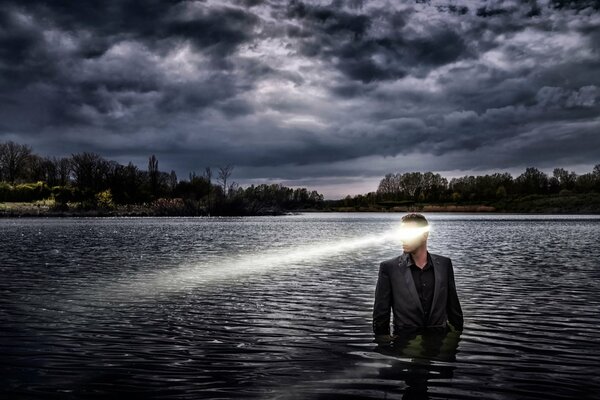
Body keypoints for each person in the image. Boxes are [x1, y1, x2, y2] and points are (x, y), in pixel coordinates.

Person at [372, 213, 463, 343]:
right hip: (404, 344)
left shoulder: (444, 264)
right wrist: (384, 344)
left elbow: (455, 311)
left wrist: (454, 343)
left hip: (439, 344)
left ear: (425, 235)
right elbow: (381, 315)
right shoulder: (389, 268)